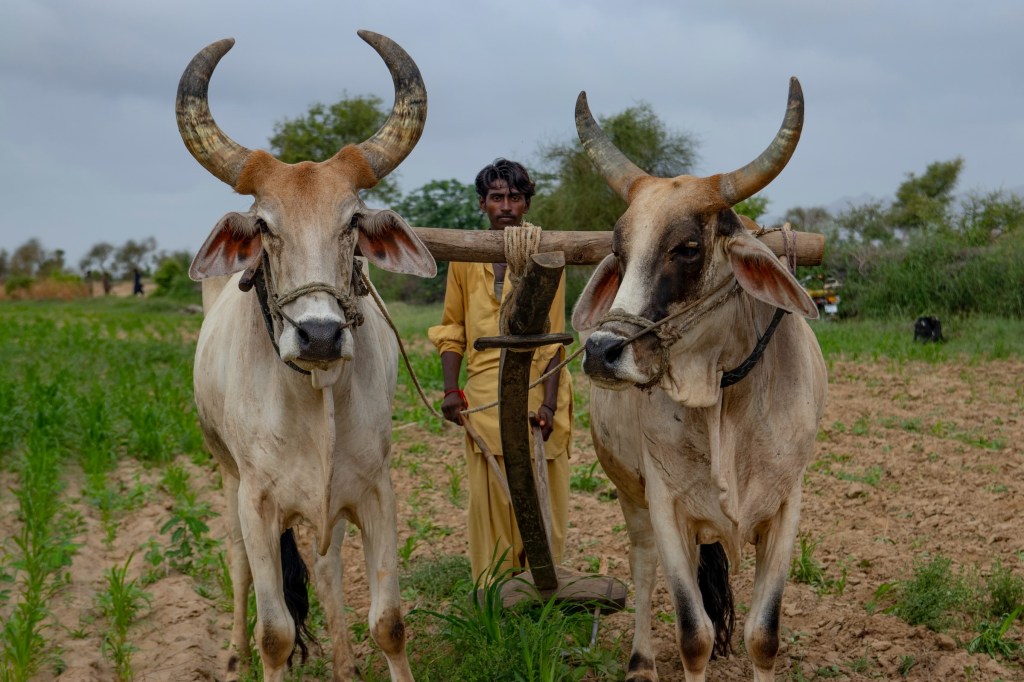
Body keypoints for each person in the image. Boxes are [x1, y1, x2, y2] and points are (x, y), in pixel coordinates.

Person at [428, 159, 573, 583]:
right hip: (484, 400)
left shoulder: (547, 256)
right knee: (490, 510)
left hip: (536, 397)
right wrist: (451, 390)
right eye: (496, 197)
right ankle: (496, 596)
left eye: (514, 197)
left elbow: (556, 335)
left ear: (526, 203)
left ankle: (544, 595)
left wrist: (549, 403)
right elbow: (452, 327)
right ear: (482, 204)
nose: (505, 205)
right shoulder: (462, 259)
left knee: (544, 506)